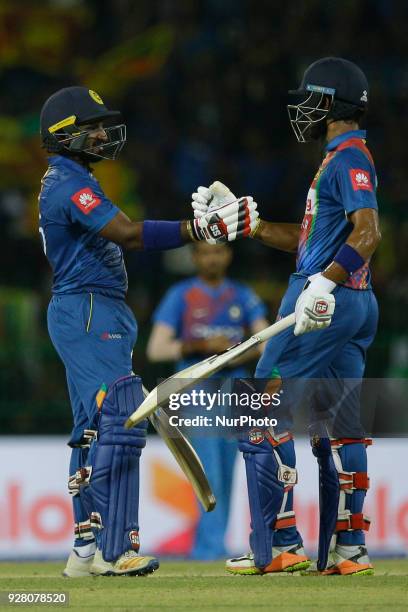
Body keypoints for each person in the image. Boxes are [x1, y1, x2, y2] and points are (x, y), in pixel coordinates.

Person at [38, 86, 259, 577]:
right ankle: (118, 550)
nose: (100, 133)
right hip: (89, 309)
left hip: (91, 310)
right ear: (64, 135)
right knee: (121, 417)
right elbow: (130, 234)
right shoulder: (69, 183)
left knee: (91, 431)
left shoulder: (72, 178)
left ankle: (86, 549)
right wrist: (197, 228)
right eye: (90, 126)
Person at [192, 57, 381, 576]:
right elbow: (310, 245)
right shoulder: (343, 158)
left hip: (324, 301)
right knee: (341, 427)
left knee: (261, 413)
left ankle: (279, 543)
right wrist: (249, 224)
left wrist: (323, 284)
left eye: (311, 99)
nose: (304, 108)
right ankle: (349, 551)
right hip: (353, 303)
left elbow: (367, 235)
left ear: (332, 104)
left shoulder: (347, 160)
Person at [147, 241, 268, 560]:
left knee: (227, 471)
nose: (212, 258)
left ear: (228, 255)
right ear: (195, 257)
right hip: (195, 388)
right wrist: (201, 346)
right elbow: (156, 349)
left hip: (234, 387)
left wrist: (234, 351)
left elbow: (266, 342)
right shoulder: (181, 295)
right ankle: (208, 549)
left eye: (218, 252)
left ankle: (214, 545)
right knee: (208, 470)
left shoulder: (242, 294)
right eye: (205, 253)